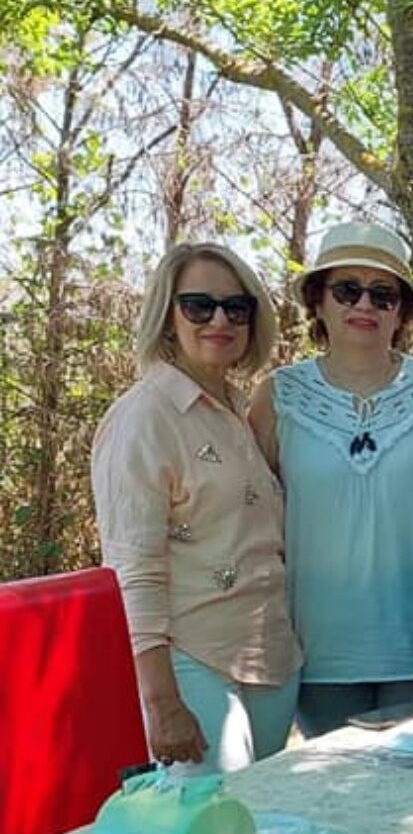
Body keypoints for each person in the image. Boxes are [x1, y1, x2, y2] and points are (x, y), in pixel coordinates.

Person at [246, 221, 413, 737]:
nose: (364, 305)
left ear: (402, 311)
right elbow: (251, 522)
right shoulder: (277, 396)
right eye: (347, 290)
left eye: (383, 294)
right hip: (318, 651)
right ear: (318, 302)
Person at [91, 242, 301, 772]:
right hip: (192, 663)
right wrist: (162, 703)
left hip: (269, 658)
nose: (219, 319)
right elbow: (132, 570)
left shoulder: (239, 408)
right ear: (168, 315)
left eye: (236, 307)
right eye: (198, 305)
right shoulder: (144, 419)